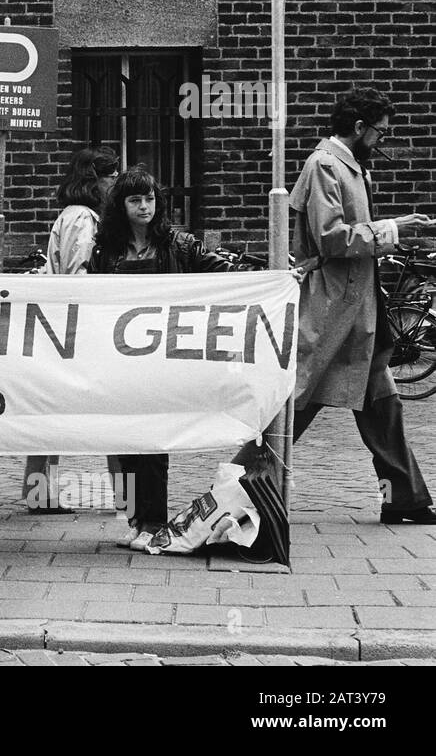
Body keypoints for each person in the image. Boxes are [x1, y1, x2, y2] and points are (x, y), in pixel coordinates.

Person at [231, 87, 436, 524]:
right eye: (379, 132)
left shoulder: (348, 165)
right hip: (333, 308)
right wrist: (392, 230)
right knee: (299, 399)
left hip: (353, 309)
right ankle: (237, 484)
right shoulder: (326, 164)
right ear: (359, 128)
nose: (382, 141)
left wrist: (389, 227)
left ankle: (406, 498)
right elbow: (333, 237)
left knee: (379, 401)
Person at [87, 166, 240, 550]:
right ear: (120, 206)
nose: (144, 206)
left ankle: (155, 523)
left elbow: (225, 273)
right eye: (135, 199)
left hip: (161, 360)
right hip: (118, 360)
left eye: (150, 198)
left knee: (153, 441)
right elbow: (88, 295)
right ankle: (136, 521)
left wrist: (275, 278)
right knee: (122, 440)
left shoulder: (180, 245)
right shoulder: (106, 250)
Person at [24, 146, 119, 514]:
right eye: (111, 175)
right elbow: (79, 274)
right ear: (94, 179)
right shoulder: (83, 218)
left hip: (63, 323)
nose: (115, 182)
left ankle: (38, 493)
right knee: (110, 413)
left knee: (50, 411)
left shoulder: (73, 214)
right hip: (79, 326)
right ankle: (124, 496)